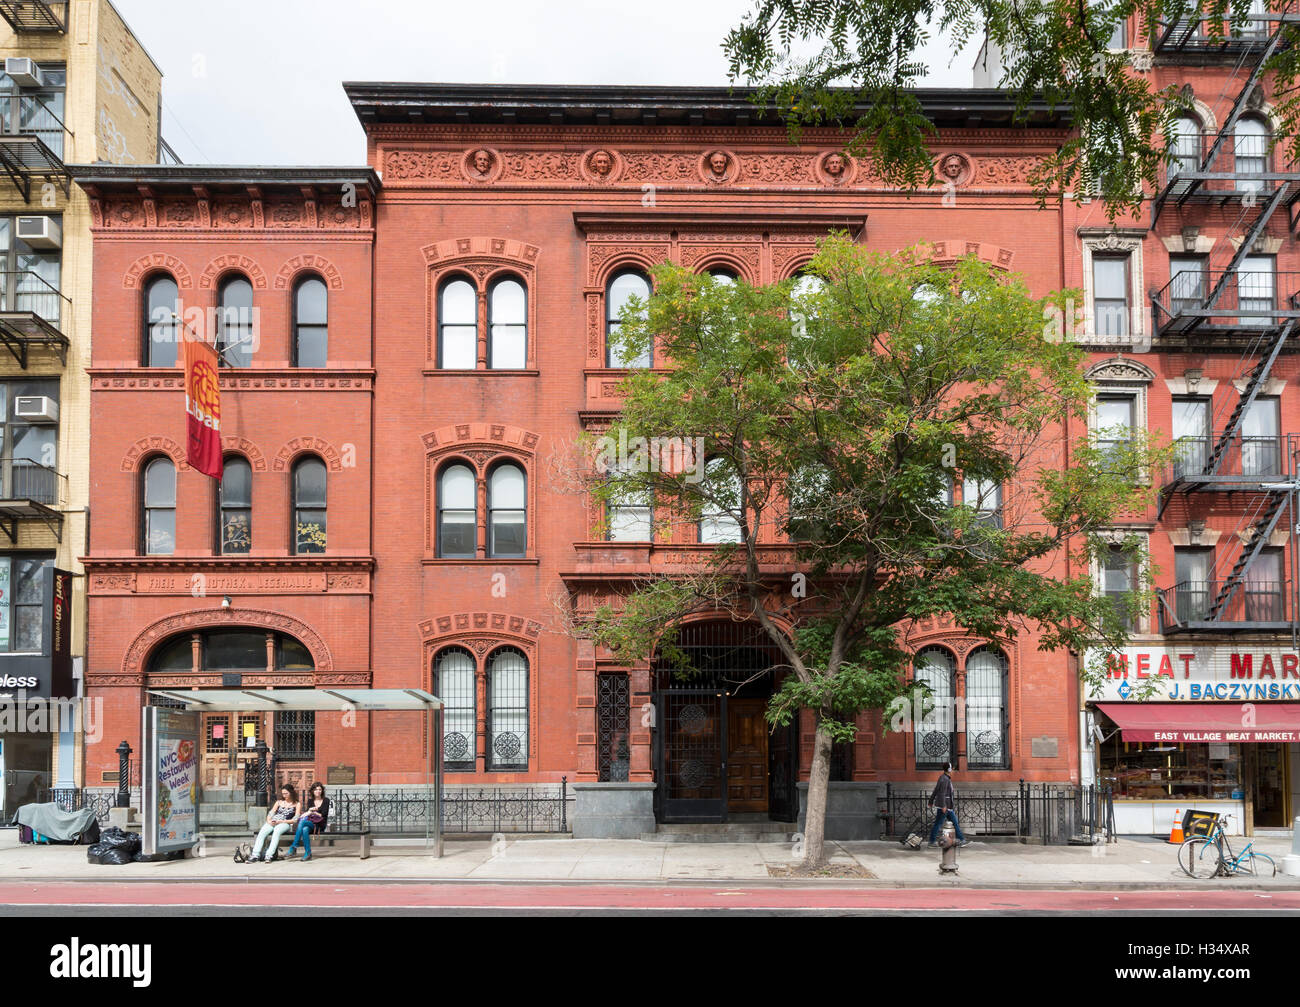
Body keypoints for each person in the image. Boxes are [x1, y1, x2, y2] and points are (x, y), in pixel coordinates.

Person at [250, 785, 300, 863]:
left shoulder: (297, 804)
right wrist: (269, 821)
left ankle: (269, 855)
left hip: (285, 823)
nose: (284, 795)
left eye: (286, 793)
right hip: (274, 821)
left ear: (291, 793)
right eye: (283, 793)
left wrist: (281, 822)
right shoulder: (279, 802)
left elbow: (295, 819)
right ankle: (255, 855)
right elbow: (271, 813)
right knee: (262, 833)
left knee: (276, 832)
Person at [927, 762, 971, 848]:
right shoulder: (945, 779)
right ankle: (931, 842)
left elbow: (936, 790)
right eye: (951, 768)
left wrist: (931, 801)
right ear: (949, 769)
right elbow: (942, 793)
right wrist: (943, 806)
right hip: (945, 807)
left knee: (954, 823)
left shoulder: (944, 778)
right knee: (938, 824)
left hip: (947, 807)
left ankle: (961, 840)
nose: (952, 770)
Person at [286, 782, 329, 862]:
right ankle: (308, 853)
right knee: (305, 829)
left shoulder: (326, 800)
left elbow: (324, 815)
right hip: (310, 823)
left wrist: (313, 812)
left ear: (322, 791)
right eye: (316, 789)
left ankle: (294, 846)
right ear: (312, 791)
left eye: (320, 789)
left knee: (302, 823)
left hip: (320, 824)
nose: (318, 791)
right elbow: (307, 814)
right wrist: (310, 811)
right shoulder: (310, 801)